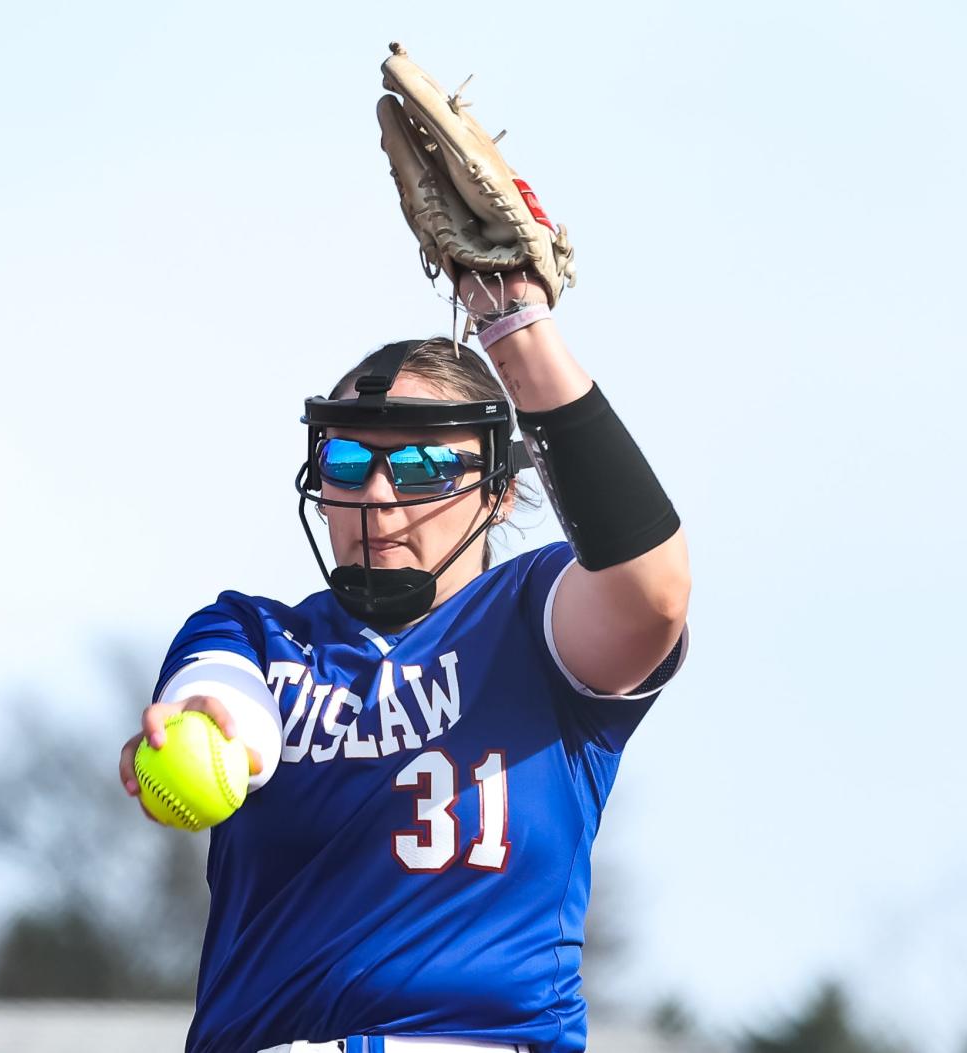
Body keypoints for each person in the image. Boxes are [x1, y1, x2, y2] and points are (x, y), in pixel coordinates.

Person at [118, 269, 692, 1053]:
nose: (379, 495)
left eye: (422, 467)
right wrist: (213, 730)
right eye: (349, 461)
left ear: (496, 489)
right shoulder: (251, 632)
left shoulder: (534, 620)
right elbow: (228, 708)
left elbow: (651, 593)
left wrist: (516, 326)